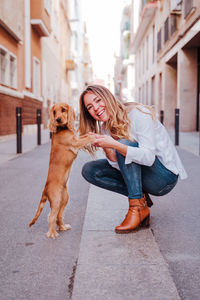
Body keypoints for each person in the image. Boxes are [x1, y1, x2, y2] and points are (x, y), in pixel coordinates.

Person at [78, 84, 187, 234]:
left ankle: (136, 207)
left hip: (164, 178)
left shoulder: (138, 114)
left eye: (98, 100)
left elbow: (148, 158)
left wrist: (116, 144)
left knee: (125, 144)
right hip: (145, 176)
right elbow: (122, 168)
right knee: (90, 170)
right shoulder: (105, 128)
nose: (95, 108)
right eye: (90, 107)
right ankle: (141, 202)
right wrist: (106, 146)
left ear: (108, 98)